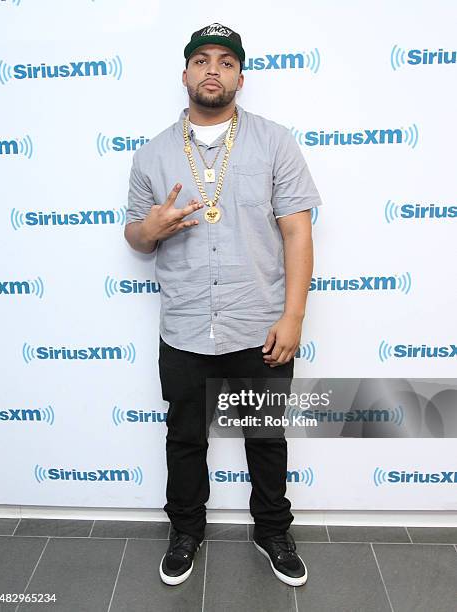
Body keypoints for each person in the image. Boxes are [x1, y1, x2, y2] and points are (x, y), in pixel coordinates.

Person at [124, 22, 323, 588]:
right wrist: (151, 228)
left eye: (227, 61)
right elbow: (135, 238)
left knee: (265, 436)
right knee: (185, 437)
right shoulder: (152, 154)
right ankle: (186, 530)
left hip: (258, 324)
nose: (214, 69)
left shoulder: (274, 141)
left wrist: (293, 316)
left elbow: (297, 232)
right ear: (185, 73)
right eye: (203, 60)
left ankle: (273, 531)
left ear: (240, 75)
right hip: (184, 326)